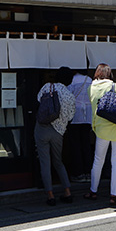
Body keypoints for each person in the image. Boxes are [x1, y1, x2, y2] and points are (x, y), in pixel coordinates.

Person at [84, 64, 116, 204]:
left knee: (98, 160)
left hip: (101, 128)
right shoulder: (114, 86)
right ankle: (114, 195)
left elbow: (94, 108)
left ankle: (93, 191)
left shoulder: (91, 87)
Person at [35, 68, 77, 205]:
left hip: (42, 128)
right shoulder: (70, 96)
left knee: (45, 162)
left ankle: (50, 195)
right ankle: (67, 191)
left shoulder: (48, 87)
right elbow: (70, 116)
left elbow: (39, 100)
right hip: (58, 132)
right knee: (58, 161)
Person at [63, 66, 93, 182]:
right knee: (86, 144)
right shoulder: (89, 80)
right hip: (88, 115)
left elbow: (67, 97)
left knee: (75, 145)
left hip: (75, 115)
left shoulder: (72, 80)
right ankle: (88, 172)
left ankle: (78, 173)